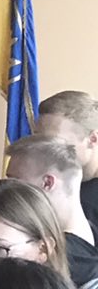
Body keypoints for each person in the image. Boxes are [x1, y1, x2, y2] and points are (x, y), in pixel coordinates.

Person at [6, 134, 98, 289]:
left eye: (15, 181)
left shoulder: (55, 258)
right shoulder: (86, 236)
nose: (7, 189)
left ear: (47, 183)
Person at [35, 90, 98, 232]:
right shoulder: (53, 184)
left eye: (54, 140)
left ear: (92, 139)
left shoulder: (86, 203)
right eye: (38, 138)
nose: (40, 148)